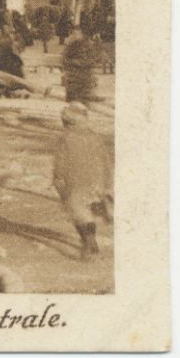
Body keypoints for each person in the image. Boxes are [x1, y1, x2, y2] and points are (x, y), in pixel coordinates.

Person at [52, 102, 113, 259]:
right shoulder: (95, 137)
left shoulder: (64, 139)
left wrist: (58, 179)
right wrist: (107, 182)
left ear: (67, 122)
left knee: (77, 212)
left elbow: (60, 162)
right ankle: (92, 241)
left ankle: (88, 242)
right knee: (88, 212)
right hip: (96, 180)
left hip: (75, 181)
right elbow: (106, 160)